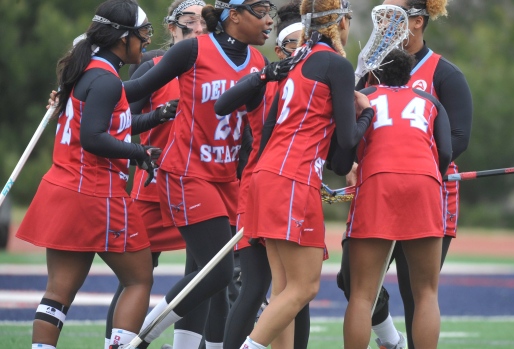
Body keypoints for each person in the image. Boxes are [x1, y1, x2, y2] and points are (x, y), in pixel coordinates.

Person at [14, 1, 169, 348]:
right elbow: (94, 137)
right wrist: (139, 152)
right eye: (142, 34)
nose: (146, 41)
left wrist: (155, 118)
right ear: (121, 37)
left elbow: (116, 116)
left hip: (65, 189)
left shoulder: (87, 72)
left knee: (58, 293)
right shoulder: (104, 80)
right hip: (96, 194)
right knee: (139, 280)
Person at [120, 1, 274, 347]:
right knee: (216, 270)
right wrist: (84, 88)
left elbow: (258, 132)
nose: (267, 20)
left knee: (219, 277)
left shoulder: (258, 62)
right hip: (187, 173)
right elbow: (134, 91)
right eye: (260, 11)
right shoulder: (192, 49)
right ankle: (141, 337)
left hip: (227, 178)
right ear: (234, 15)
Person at [238, 0, 374, 348]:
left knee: (284, 289)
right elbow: (347, 140)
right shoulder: (334, 63)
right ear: (340, 23)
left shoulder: (296, 60)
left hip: (267, 175)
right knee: (304, 287)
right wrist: (367, 113)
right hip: (293, 180)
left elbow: (330, 154)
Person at [337, 1, 473, 348]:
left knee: (408, 292)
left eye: (391, 17)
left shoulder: (445, 73)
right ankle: (390, 339)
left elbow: (458, 138)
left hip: (398, 185)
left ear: (416, 21)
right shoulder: (373, 72)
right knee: (353, 282)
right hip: (420, 185)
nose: (383, 24)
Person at [103, 1, 206, 349]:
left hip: (203, 186)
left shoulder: (222, 66)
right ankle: (119, 343)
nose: (198, 27)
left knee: (207, 275)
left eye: (205, 21)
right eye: (189, 21)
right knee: (135, 277)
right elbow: (119, 125)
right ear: (172, 27)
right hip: (153, 186)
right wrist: (159, 117)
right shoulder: (152, 65)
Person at [213, 2, 311, 349]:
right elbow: (221, 105)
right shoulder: (268, 78)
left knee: (291, 290)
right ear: (281, 48)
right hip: (269, 187)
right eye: (297, 43)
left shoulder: (315, 79)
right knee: (263, 287)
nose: (305, 49)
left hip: (280, 185)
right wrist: (265, 74)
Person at [341, 48, 451, 349]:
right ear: (410, 75)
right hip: (424, 184)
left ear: (376, 72)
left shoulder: (363, 95)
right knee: (426, 292)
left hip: (378, 184)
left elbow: (345, 148)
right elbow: (446, 153)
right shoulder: (430, 101)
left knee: (362, 294)